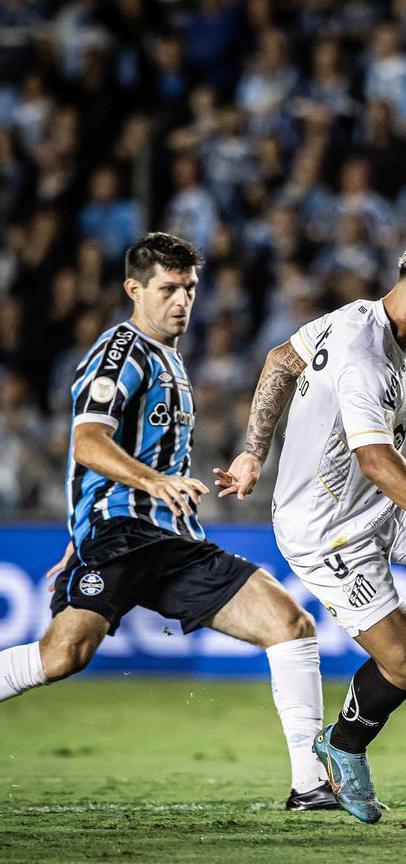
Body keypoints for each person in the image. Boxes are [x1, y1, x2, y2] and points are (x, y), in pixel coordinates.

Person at [0, 233, 339, 812]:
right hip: (121, 536)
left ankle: (311, 785)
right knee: (64, 656)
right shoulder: (120, 353)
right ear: (134, 290)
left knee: (291, 624)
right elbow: (86, 442)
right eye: (168, 289)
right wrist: (145, 487)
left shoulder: (171, 360)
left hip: (173, 540)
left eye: (189, 288)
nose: (181, 300)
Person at [216, 235, 406, 824]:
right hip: (328, 529)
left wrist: (253, 452)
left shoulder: (361, 317)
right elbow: (376, 461)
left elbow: (281, 360)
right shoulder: (365, 355)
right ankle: (343, 746)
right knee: (405, 665)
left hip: (379, 501)